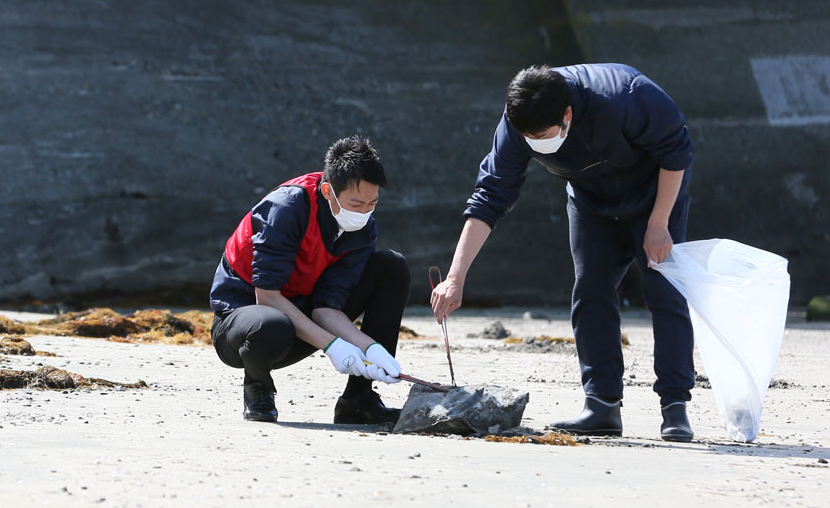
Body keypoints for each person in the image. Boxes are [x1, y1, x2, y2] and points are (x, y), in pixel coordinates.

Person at [430, 64, 696, 442]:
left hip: (654, 196)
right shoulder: (517, 120)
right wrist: (455, 278)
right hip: (590, 201)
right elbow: (490, 197)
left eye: (541, 135)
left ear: (567, 114)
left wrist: (658, 224)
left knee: (664, 290)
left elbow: (677, 153)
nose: (534, 142)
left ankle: (674, 407)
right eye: (527, 136)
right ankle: (601, 404)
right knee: (590, 290)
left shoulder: (626, 95)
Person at [210, 136, 410, 424]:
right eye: (356, 202)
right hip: (247, 328)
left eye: (372, 203)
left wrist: (368, 348)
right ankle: (258, 388)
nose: (364, 211)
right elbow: (266, 296)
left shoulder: (363, 227)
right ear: (328, 191)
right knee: (270, 323)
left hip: (304, 315)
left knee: (392, 266)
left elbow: (327, 306)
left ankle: (358, 400)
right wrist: (333, 347)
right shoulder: (286, 208)